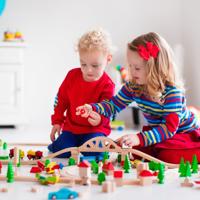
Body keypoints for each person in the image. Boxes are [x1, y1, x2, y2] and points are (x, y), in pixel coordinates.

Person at [76, 32, 200, 164]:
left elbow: (169, 129)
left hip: (182, 134)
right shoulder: (133, 86)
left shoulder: (172, 94)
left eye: (137, 68)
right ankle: (156, 148)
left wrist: (139, 138)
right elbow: (113, 105)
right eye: (130, 66)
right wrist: (94, 108)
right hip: (159, 133)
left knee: (167, 156)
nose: (131, 72)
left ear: (154, 69)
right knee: (133, 151)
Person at [48, 28, 115, 158]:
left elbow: (109, 109)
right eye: (83, 64)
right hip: (71, 128)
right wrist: (57, 121)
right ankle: (68, 144)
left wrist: (100, 119)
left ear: (108, 59)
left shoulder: (107, 85)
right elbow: (61, 100)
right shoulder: (72, 76)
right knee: (62, 150)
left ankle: (86, 146)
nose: (88, 70)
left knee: (94, 151)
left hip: (95, 130)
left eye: (95, 65)